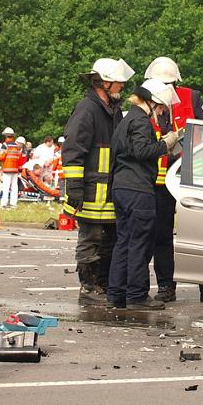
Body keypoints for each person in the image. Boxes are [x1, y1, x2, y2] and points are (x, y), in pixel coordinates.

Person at [144, 56, 203, 304]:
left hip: (190, 179)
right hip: (160, 182)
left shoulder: (191, 97)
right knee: (162, 236)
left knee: (199, 234)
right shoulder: (145, 104)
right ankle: (166, 286)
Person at [62, 57, 135, 305]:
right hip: (90, 191)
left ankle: (102, 284)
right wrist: (75, 190)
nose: (121, 87)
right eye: (118, 83)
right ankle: (88, 287)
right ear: (104, 83)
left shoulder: (111, 111)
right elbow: (73, 151)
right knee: (90, 239)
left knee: (108, 240)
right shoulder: (87, 110)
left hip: (108, 191)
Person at [107, 80, 180, 310]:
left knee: (124, 242)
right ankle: (137, 295)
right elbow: (141, 151)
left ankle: (117, 294)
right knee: (140, 242)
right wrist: (165, 144)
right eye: (160, 108)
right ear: (152, 102)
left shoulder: (125, 119)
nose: (160, 113)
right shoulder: (140, 121)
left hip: (121, 188)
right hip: (138, 190)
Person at [0, 127, 24, 208]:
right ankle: (13, 203)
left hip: (7, 168)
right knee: (14, 187)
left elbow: (1, 157)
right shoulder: (16, 146)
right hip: (15, 169)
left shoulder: (5, 145)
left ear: (5, 135)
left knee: (6, 186)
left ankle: (4, 204)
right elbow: (19, 158)